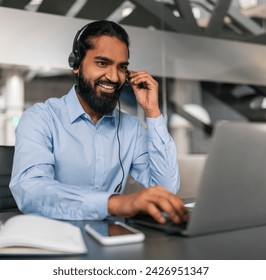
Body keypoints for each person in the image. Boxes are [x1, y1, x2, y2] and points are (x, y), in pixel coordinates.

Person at [10, 20, 188, 224]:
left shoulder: (131, 128)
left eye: (121, 67)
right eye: (102, 63)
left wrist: (152, 111)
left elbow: (166, 190)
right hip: (55, 238)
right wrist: (113, 204)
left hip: (111, 239)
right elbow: (31, 192)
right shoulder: (40, 119)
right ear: (76, 65)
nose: (113, 77)